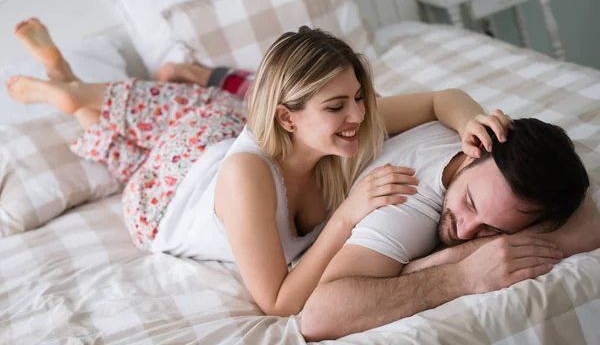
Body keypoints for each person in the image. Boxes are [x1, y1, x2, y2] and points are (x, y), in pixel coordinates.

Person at [6, 18, 511, 317]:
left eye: (357, 97)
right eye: (337, 106)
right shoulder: (249, 179)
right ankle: (70, 90)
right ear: (288, 116)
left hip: (225, 137)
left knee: (177, 120)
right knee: (141, 145)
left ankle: (67, 85)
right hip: (170, 194)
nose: (359, 115)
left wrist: (474, 124)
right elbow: (277, 301)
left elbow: (443, 99)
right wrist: (348, 215)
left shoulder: (347, 126)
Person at [300, 119, 600, 341]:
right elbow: (318, 317)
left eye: (493, 230)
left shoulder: (505, 142)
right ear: (474, 152)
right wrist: (462, 276)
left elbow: (588, 220)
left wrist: (431, 262)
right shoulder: (406, 209)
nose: (465, 231)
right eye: (469, 202)